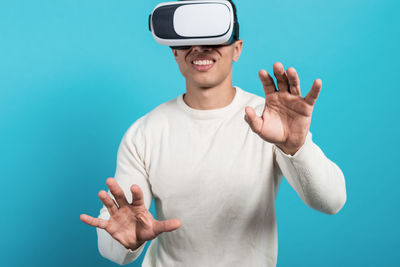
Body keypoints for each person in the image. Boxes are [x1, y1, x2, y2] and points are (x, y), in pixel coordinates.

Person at [80, 0, 347, 266]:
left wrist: (295, 147)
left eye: (212, 35)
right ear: (175, 52)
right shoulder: (145, 133)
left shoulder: (269, 120)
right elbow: (112, 243)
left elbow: (332, 200)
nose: (199, 47)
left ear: (237, 49)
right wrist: (127, 240)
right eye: (188, 39)